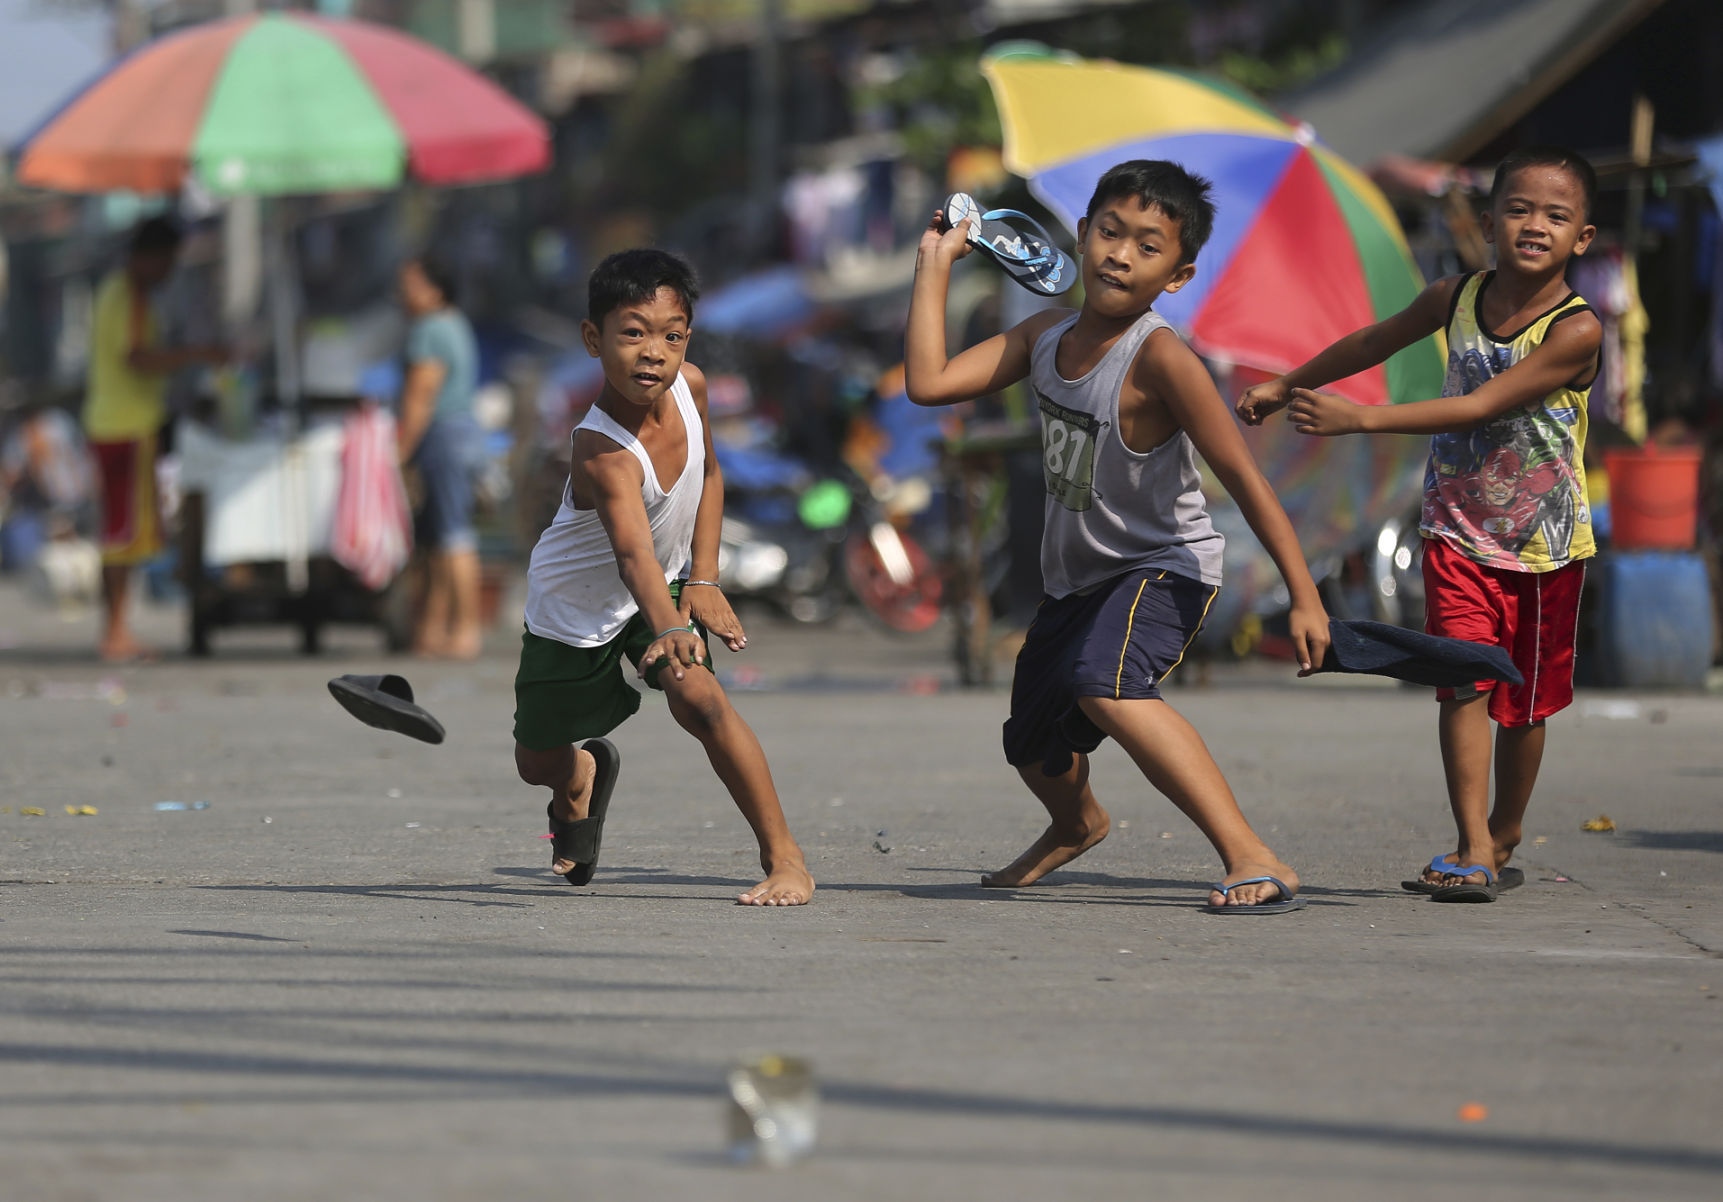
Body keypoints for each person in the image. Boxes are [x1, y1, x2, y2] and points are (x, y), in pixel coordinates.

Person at [906, 161, 1330, 912]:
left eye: (1146, 245)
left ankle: (1251, 854)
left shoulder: (1162, 357)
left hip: (1163, 565)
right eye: (1108, 232)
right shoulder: (1044, 334)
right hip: (1076, 578)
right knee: (1031, 744)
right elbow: (929, 384)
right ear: (1080, 234)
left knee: (1104, 682)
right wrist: (933, 267)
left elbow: (1244, 479)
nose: (1119, 254)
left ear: (1177, 274)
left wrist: (1305, 597)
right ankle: (1075, 825)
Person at [1237, 147, 1602, 903]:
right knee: (1461, 679)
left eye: (1554, 216)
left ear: (1582, 239)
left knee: (1524, 706)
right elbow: (1372, 342)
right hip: (1456, 533)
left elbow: (1480, 405)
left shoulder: (1576, 332)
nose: (1533, 225)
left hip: (1543, 547)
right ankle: (1470, 844)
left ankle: (1503, 830)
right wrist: (1287, 383)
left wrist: (1359, 418)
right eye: (1518, 209)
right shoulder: (1453, 296)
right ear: (1490, 220)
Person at [512, 249, 814, 907]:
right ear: (593, 339)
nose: (654, 353)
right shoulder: (601, 451)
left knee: (700, 699)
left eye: (671, 335)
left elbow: (707, 473)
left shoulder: (691, 387)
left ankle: (785, 859)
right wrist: (671, 622)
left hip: (666, 581)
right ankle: (579, 778)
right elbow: (631, 556)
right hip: (577, 606)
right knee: (537, 761)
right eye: (632, 333)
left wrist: (702, 581)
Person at [83, 217, 224, 663]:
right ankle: (116, 632)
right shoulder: (131, 296)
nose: (169, 272)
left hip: (116, 424)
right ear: (150, 257)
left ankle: (117, 629)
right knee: (121, 535)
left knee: (123, 532)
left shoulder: (115, 290)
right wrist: (196, 354)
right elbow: (137, 357)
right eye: (167, 262)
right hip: (125, 426)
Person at [397, 256, 483, 659]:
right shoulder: (455, 323)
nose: (403, 292)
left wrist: (400, 450)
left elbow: (420, 396)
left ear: (435, 289)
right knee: (435, 538)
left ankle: (466, 629)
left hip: (443, 436)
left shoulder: (429, 330)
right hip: (465, 431)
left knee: (452, 534)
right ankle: (432, 629)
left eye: (412, 284)